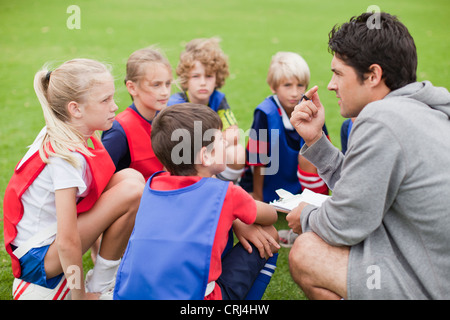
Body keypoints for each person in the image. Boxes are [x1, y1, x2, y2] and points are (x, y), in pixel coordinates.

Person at [288, 12, 450, 299]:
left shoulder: (381, 117)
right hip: (432, 267)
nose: (330, 85)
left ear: (373, 75)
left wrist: (307, 217)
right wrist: (315, 139)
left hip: (431, 285)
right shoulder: (424, 109)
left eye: (338, 73)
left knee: (307, 251)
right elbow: (363, 191)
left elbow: (344, 224)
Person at [3, 59, 145, 300]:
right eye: (105, 100)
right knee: (132, 190)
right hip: (38, 258)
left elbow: (90, 196)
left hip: (50, 244)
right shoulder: (64, 157)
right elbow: (67, 242)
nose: (114, 106)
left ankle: (102, 278)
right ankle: (99, 286)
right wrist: (79, 297)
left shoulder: (69, 130)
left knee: (130, 177)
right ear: (75, 109)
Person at [114, 103, 280, 300]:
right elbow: (271, 215)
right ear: (205, 156)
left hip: (131, 295)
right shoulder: (226, 193)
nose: (226, 143)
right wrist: (239, 216)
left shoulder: (153, 185)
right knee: (269, 234)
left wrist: (234, 218)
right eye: (220, 139)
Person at [240, 51, 329, 204]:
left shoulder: (312, 111)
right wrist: (258, 197)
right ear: (273, 87)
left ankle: (317, 203)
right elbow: (257, 159)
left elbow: (325, 156)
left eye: (300, 85)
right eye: (287, 85)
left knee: (315, 152)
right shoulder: (265, 112)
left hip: (301, 184)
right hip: (268, 182)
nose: (294, 93)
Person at [168, 37, 245, 183]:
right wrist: (213, 143)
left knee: (237, 152)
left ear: (217, 78)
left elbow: (234, 134)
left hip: (209, 154)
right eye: (196, 76)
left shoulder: (217, 99)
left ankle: (226, 189)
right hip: (185, 160)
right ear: (186, 79)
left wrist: (210, 147)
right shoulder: (177, 103)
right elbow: (179, 142)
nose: (203, 82)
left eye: (208, 76)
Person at [102, 46, 172, 180]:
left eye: (168, 84)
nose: (165, 92)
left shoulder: (169, 120)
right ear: (132, 88)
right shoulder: (119, 131)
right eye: (156, 85)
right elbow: (98, 181)